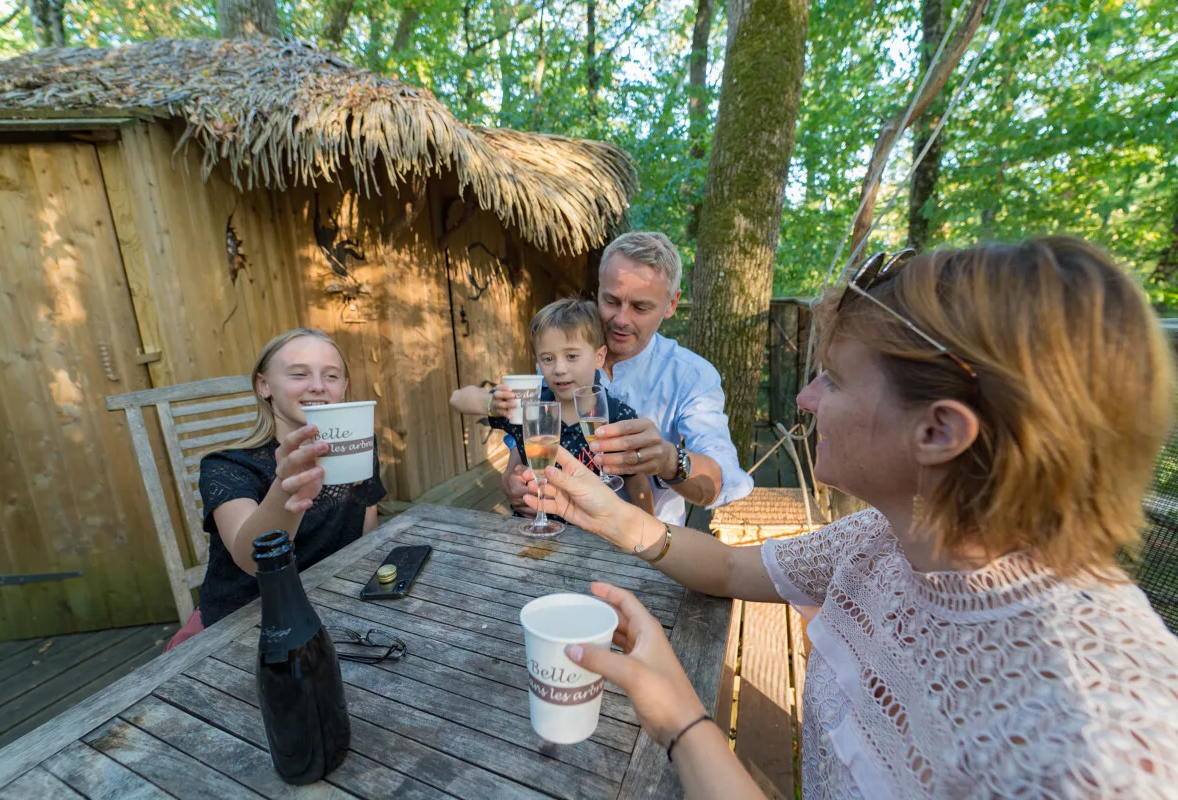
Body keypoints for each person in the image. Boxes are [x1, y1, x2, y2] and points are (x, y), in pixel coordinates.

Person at [523, 238, 1178, 798]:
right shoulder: (885, 540)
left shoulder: (1100, 737)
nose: (805, 400)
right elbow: (725, 565)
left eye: (833, 379)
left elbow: (713, 477)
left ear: (939, 431)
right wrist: (609, 513)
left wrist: (683, 720)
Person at [501, 232, 753, 526]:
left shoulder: (693, 377)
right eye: (611, 300)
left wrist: (670, 461)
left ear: (672, 304)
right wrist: (511, 483)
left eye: (640, 307)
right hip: (556, 537)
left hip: (645, 550)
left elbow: (721, 482)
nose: (621, 319)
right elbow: (520, 448)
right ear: (597, 291)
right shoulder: (559, 357)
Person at [165, 328, 386, 650]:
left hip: (335, 605)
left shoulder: (360, 445)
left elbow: (366, 532)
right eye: (299, 374)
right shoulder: (228, 466)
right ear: (264, 385)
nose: (318, 386)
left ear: (344, 388)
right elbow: (251, 560)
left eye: (332, 376)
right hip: (245, 622)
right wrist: (286, 489)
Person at [451, 298, 653, 515]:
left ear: (599, 357)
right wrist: (492, 403)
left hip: (593, 537)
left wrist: (646, 539)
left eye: (572, 356)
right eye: (548, 359)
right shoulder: (529, 407)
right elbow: (457, 398)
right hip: (533, 532)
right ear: (538, 362)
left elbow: (638, 486)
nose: (559, 368)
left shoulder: (617, 417)